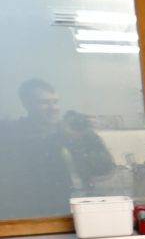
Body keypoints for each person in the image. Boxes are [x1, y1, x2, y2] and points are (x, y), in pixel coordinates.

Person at [0, 79, 112, 220]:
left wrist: (80, 139)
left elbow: (103, 169)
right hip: (32, 215)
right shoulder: (14, 135)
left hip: (79, 209)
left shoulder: (75, 131)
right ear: (27, 104)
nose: (53, 108)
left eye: (55, 102)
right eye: (44, 103)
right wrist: (61, 138)